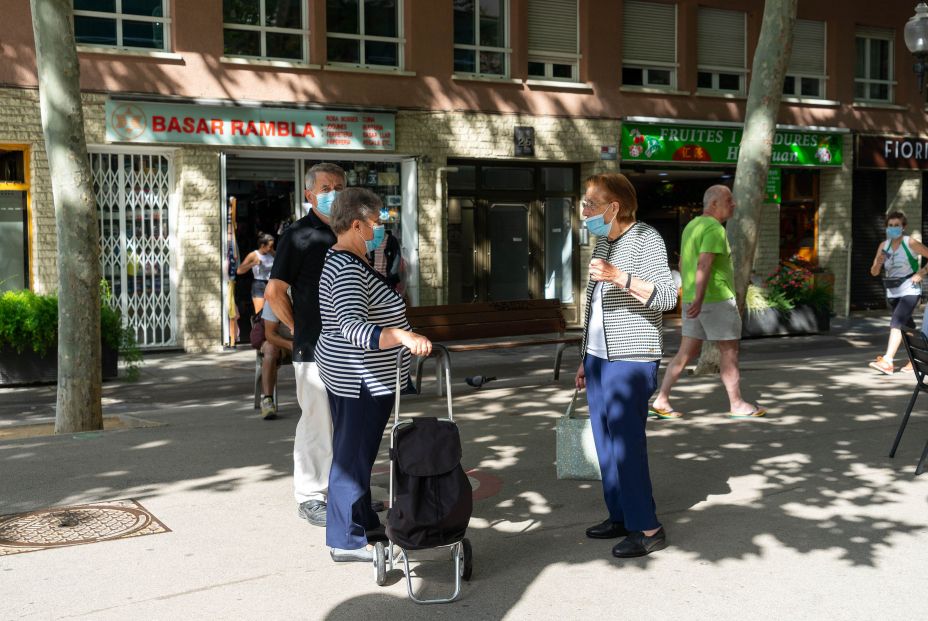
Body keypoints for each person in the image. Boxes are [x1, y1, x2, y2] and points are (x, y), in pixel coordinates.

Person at [315, 187, 432, 562]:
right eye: (376, 223)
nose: (379, 230)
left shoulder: (353, 259)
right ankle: (345, 539)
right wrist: (401, 335)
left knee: (358, 454)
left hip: (362, 377)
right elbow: (351, 326)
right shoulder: (345, 266)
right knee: (352, 457)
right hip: (359, 377)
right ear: (356, 225)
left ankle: (362, 521)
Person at [575, 173, 678, 559]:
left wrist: (620, 277)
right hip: (600, 358)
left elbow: (667, 296)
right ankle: (621, 515)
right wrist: (585, 358)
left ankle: (648, 528)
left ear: (613, 207)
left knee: (625, 445)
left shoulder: (645, 238)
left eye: (590, 204)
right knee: (605, 443)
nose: (584, 211)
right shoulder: (604, 241)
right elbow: (593, 308)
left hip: (632, 358)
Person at [265, 163, 344, 528]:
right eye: (326, 187)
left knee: (346, 423)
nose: (334, 192)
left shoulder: (351, 230)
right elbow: (275, 292)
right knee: (317, 421)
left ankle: (344, 490)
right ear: (309, 194)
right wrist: (299, 328)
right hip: (315, 348)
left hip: (351, 346)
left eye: (340, 186)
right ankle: (312, 495)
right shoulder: (298, 235)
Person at [649, 185, 766, 420]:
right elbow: (704, 265)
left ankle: (661, 399)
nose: (733, 204)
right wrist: (701, 298)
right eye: (729, 200)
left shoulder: (692, 226)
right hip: (716, 300)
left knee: (685, 353)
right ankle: (737, 404)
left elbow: (682, 265)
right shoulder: (714, 229)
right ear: (713, 204)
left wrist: (691, 296)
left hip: (695, 300)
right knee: (729, 351)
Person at [869, 211, 928, 375]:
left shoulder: (910, 242)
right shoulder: (884, 246)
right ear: (886, 227)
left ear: (904, 227)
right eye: (890, 225)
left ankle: (888, 361)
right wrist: (878, 263)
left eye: (897, 225)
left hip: (910, 289)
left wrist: (921, 273)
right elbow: (873, 272)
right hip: (893, 291)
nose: (893, 228)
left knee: (897, 321)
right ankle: (918, 359)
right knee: (907, 327)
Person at [257, 301, 293, 420]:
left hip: (304, 340)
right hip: (280, 342)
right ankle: (268, 400)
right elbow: (270, 334)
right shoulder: (274, 299)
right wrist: (292, 345)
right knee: (270, 349)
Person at [237, 233, 275, 314]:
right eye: (270, 246)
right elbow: (239, 271)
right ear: (262, 245)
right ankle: (256, 325)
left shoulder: (272, 253)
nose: (271, 248)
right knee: (260, 313)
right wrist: (253, 263)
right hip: (259, 285)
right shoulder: (253, 255)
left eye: (272, 246)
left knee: (271, 313)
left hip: (271, 284)